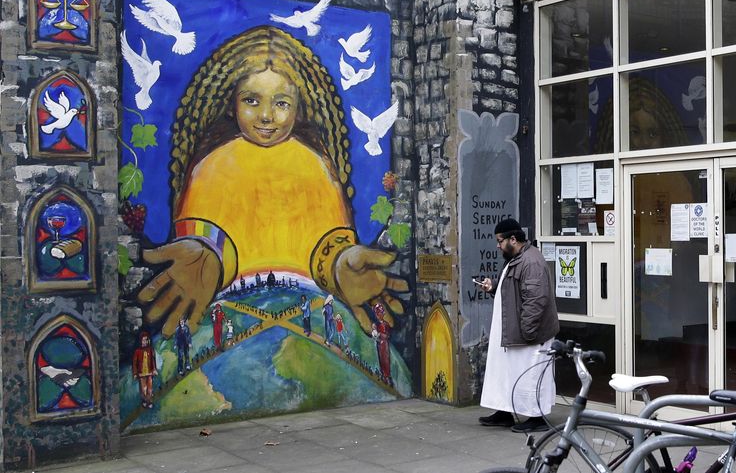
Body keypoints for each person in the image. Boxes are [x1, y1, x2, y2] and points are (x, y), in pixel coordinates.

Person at [135, 26, 408, 338]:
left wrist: (342, 266)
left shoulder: (315, 166)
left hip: (309, 320)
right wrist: (206, 257)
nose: (266, 115)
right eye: (251, 100)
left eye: (281, 103)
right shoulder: (211, 168)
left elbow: (326, 248)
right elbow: (205, 238)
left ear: (300, 107)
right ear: (230, 103)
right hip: (230, 319)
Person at [476, 218, 559, 433]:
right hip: (516, 331)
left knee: (531, 375)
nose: (498, 245)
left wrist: (528, 332)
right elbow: (513, 290)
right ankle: (504, 412)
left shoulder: (530, 262)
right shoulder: (518, 258)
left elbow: (536, 299)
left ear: (513, 239)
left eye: (500, 240)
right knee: (507, 373)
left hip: (528, 334)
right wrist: (493, 286)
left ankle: (536, 417)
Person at [132, 331, 158, 408]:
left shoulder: (150, 349)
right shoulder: (137, 351)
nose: (145, 342)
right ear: (141, 341)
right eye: (143, 340)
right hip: (141, 373)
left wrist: (154, 369)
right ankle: (144, 400)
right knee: (144, 389)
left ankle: (149, 401)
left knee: (150, 388)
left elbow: (153, 361)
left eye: (146, 340)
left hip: (149, 372)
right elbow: (134, 363)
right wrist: (135, 373)